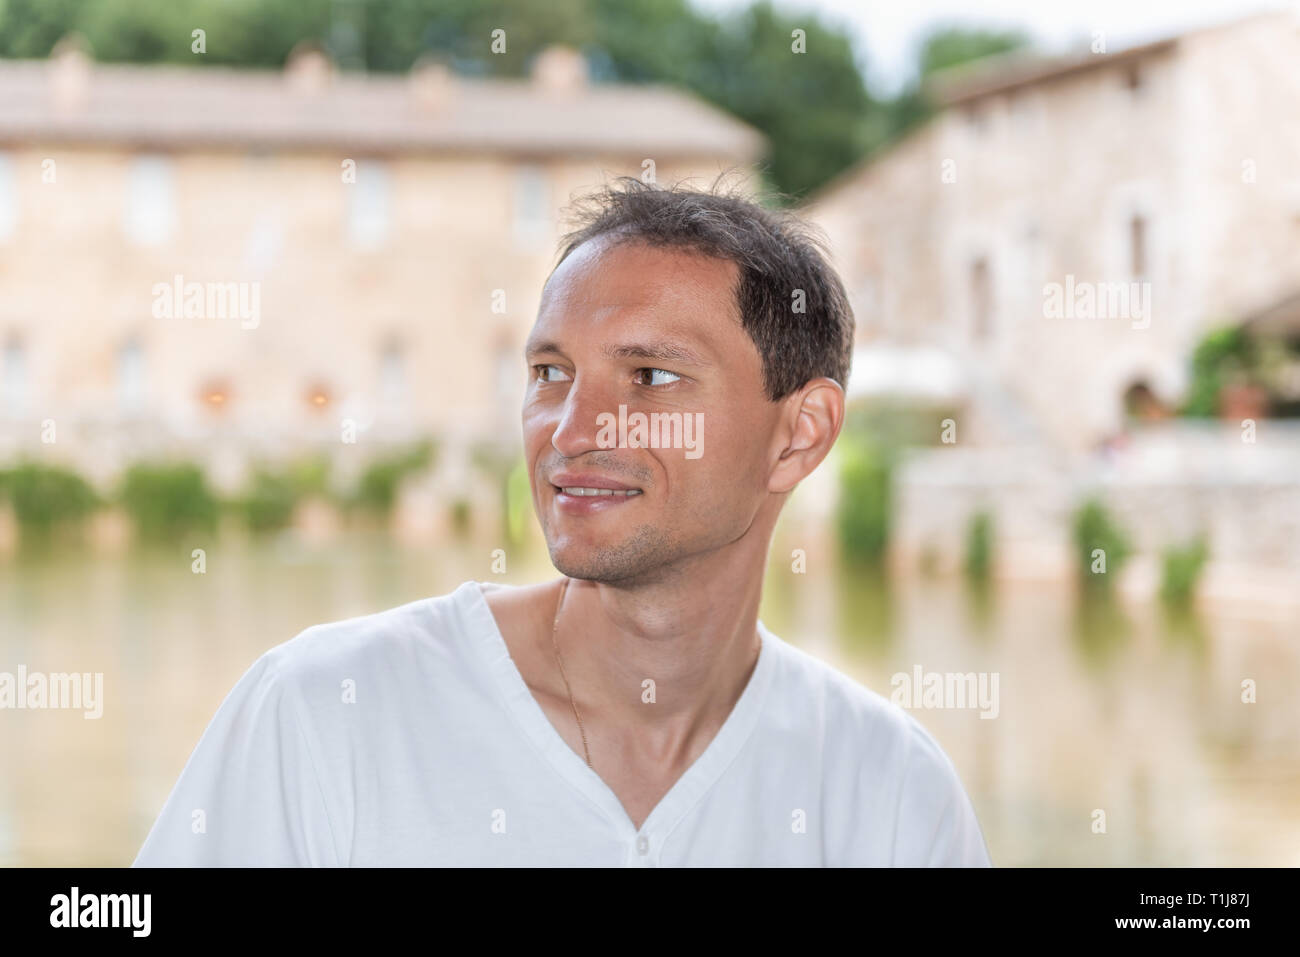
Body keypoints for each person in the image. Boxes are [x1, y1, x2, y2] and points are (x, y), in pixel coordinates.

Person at [133, 177, 992, 867]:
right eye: (551, 371)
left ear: (799, 435)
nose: (574, 430)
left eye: (650, 377)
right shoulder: (322, 714)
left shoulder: (891, 795)